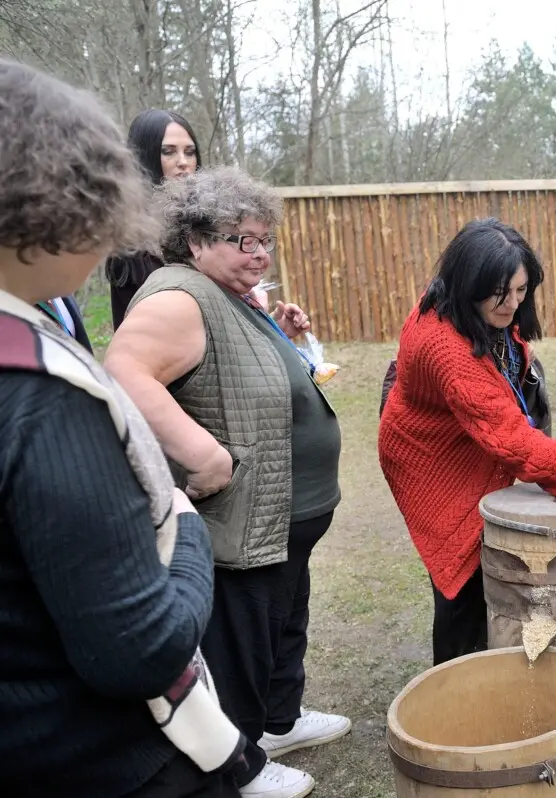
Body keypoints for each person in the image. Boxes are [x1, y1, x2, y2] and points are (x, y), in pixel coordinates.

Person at [0, 58, 239, 797]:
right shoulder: (41, 399)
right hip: (101, 762)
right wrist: (187, 528)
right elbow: (140, 650)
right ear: (50, 203)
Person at [105, 166, 348, 798]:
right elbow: (123, 370)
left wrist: (284, 340)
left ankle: (280, 723)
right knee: (241, 645)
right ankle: (242, 767)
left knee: (282, 624)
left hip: (287, 514)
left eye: (265, 239)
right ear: (195, 241)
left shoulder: (229, 295)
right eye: (243, 240)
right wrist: (204, 458)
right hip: (244, 517)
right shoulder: (179, 296)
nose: (260, 252)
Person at [378, 218, 556, 667]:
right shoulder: (444, 348)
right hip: (431, 460)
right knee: (460, 581)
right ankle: (456, 682)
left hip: (470, 433)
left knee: (484, 563)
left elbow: (508, 382)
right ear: (468, 284)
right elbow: (512, 441)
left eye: (521, 291)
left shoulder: (471, 303)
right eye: (499, 295)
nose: (512, 305)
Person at [105, 108, 202, 330]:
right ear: (145, 156)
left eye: (190, 152)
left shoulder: (207, 221)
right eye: (168, 151)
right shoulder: (131, 235)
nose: (183, 162)